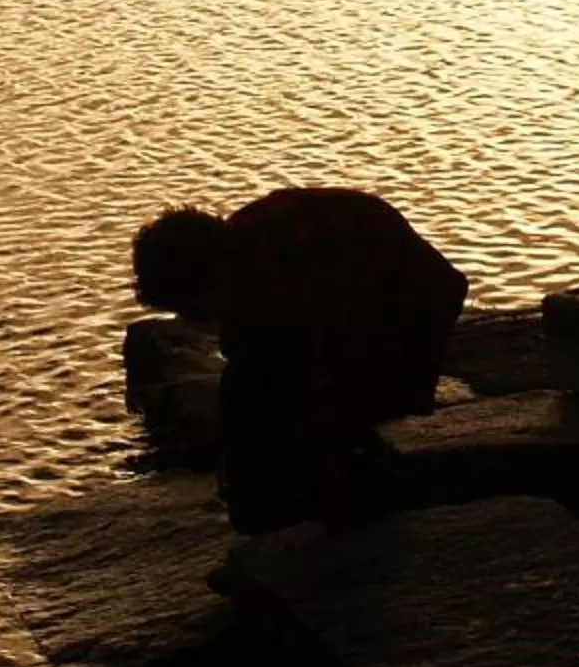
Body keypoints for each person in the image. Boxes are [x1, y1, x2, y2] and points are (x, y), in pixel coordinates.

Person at [131, 188, 467, 532]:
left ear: (210, 278)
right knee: (269, 395)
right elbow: (247, 357)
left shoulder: (286, 266)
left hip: (411, 301)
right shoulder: (242, 263)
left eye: (192, 308)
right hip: (360, 298)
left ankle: (369, 494)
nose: (193, 321)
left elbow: (310, 360)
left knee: (327, 408)